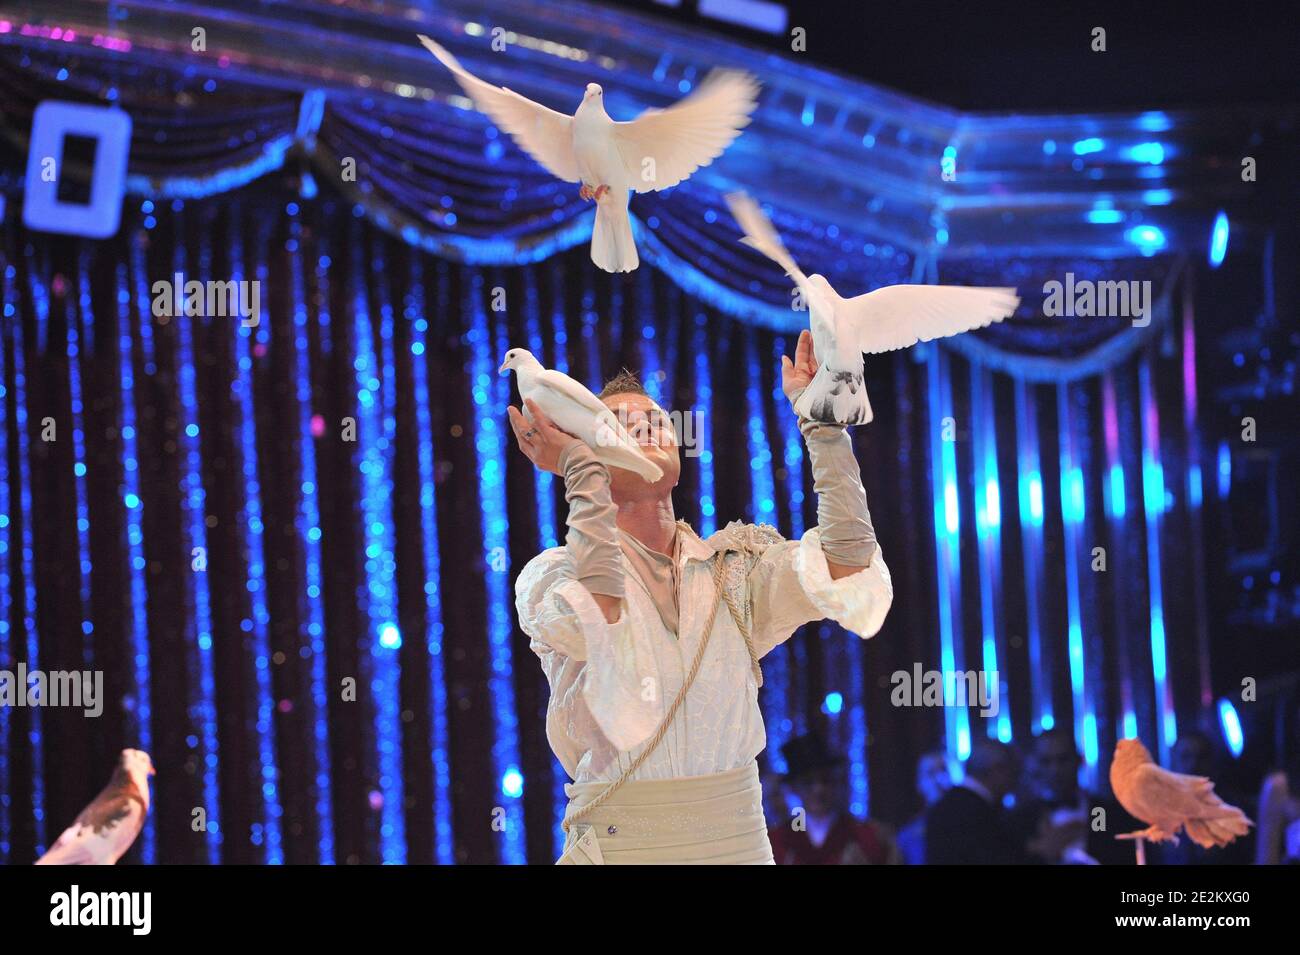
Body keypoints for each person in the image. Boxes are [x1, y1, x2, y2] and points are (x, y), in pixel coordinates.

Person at [511, 330, 893, 864]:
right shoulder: (551, 575)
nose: (644, 428)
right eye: (617, 425)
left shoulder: (736, 567)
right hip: (622, 849)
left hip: (735, 845)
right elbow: (601, 612)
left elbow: (849, 563)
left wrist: (823, 427)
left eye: (657, 423)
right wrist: (581, 470)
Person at [1011, 727, 1140, 865]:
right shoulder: (1020, 819)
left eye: (1063, 759)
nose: (1055, 769)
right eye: (1046, 761)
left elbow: (1116, 853)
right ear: (1036, 765)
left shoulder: (1101, 811)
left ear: (1078, 760)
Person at [768, 732, 900, 864]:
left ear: (837, 782)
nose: (819, 789)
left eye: (825, 780)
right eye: (808, 782)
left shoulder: (869, 838)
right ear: (794, 788)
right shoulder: (776, 843)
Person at [897, 750, 952, 864]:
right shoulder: (910, 835)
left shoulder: (969, 824)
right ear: (920, 783)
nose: (938, 780)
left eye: (943, 770)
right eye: (931, 773)